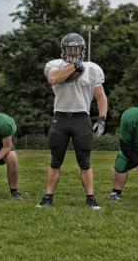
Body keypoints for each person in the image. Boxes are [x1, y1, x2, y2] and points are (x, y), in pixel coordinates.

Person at [36, 32, 108, 209]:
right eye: (70, 48)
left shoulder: (92, 68)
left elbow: (100, 96)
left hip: (81, 118)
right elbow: (53, 79)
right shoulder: (54, 64)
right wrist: (74, 67)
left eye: (76, 49)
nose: (73, 52)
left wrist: (102, 119)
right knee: (55, 161)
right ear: (63, 49)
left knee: (85, 161)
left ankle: (90, 197)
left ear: (82, 49)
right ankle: (48, 197)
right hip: (60, 116)